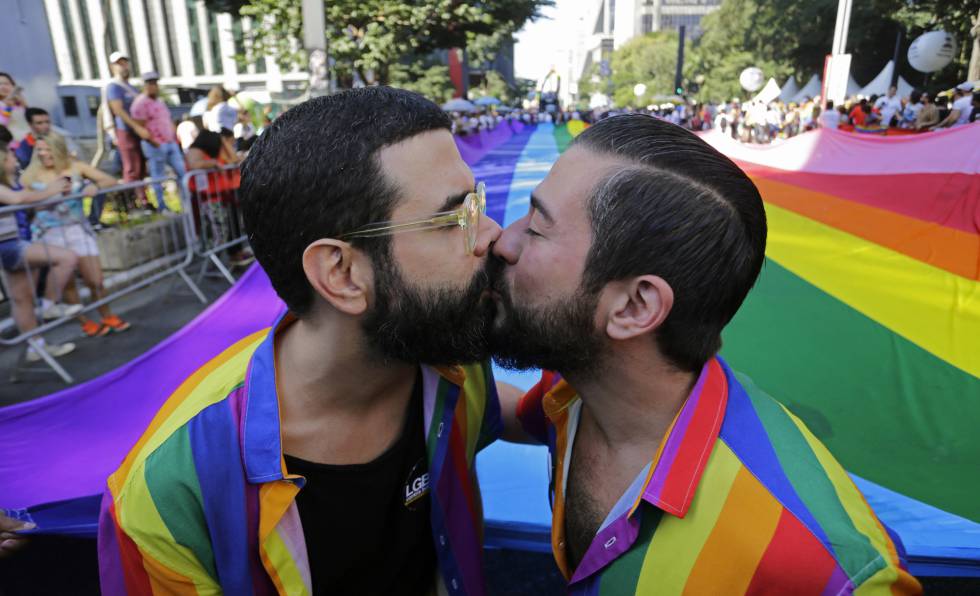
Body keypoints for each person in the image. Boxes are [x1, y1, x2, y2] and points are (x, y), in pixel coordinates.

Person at [489, 114, 921, 594]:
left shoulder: (834, 572)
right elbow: (513, 413)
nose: (502, 240)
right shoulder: (576, 391)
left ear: (634, 307)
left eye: (537, 227)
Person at [99, 88, 504, 594]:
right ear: (342, 273)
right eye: (456, 218)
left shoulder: (453, 367)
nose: (494, 234)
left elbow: (529, 409)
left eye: (478, 201)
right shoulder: (168, 494)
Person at [21, 134, 131, 337]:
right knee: (68, 283)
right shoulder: (30, 176)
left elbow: (110, 179)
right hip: (49, 234)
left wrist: (94, 186)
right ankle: (85, 323)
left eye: (48, 149)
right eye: (40, 150)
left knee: (95, 279)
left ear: (59, 148)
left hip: (77, 229)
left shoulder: (76, 167)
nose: (44, 154)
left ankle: (107, 315)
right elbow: (22, 202)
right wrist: (43, 198)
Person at [0, 144, 82, 358]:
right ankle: (49, 304)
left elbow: (27, 205)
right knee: (66, 258)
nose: (14, 157)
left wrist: (52, 196)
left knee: (22, 299)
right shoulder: (7, 188)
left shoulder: (12, 183)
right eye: (9, 154)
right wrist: (50, 189)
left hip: (15, 242)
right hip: (9, 246)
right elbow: (17, 200)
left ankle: (36, 347)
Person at [129, 71, 184, 213]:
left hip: (170, 143)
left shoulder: (159, 102)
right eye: (150, 83)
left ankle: (187, 203)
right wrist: (154, 142)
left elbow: (167, 120)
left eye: (155, 83)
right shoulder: (139, 103)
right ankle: (162, 206)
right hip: (155, 145)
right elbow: (139, 127)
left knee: (182, 173)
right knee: (158, 177)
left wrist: (174, 138)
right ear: (145, 85)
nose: (154, 86)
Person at [105, 52, 151, 209]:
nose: (123, 66)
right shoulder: (113, 87)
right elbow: (118, 110)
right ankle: (131, 204)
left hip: (137, 133)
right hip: (125, 131)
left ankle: (142, 200)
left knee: (140, 168)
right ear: (113, 67)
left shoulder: (131, 87)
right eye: (119, 63)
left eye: (125, 62)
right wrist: (136, 126)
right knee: (131, 168)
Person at [0, 72, 29, 142]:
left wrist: (24, 105)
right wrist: (8, 108)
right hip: (11, 144)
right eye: (0, 84)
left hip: (29, 140)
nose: (3, 87)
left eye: (6, 84)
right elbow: (2, 126)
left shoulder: (19, 103)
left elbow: (31, 120)